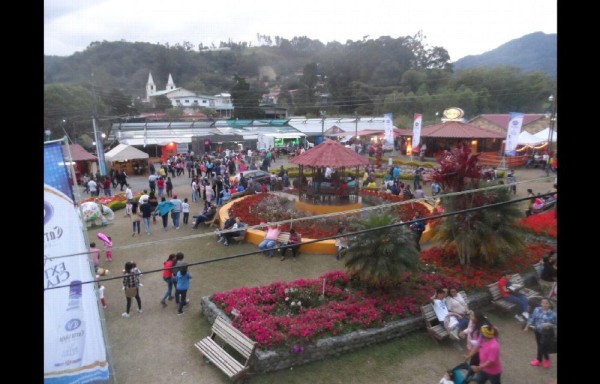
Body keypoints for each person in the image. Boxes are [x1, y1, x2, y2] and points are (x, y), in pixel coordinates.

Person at [524, 298, 557, 369]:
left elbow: (556, 325)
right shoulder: (537, 309)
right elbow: (532, 318)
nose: (544, 305)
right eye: (543, 303)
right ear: (541, 303)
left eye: (546, 303)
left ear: (549, 304)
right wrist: (527, 326)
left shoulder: (553, 314)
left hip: (547, 333)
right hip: (537, 331)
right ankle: (543, 359)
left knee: (543, 346)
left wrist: (549, 324)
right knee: (540, 345)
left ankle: (541, 359)